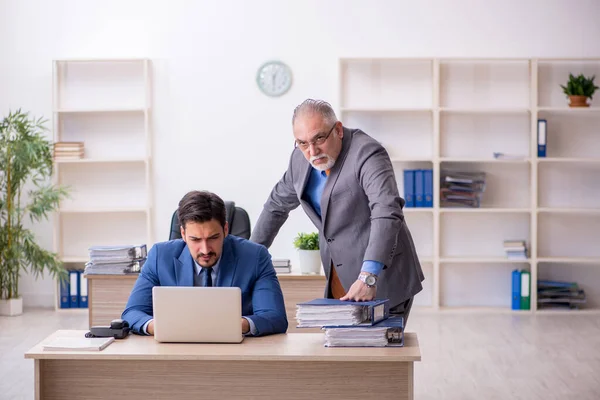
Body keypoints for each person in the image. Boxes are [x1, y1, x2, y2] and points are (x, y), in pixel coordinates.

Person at [251, 99, 424, 324]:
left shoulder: (367, 153)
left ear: (338, 130)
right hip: (338, 276)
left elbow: (386, 210)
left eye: (319, 139)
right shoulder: (299, 160)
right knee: (341, 356)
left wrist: (369, 276)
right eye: (302, 143)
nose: (312, 151)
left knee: (378, 356)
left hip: (381, 277)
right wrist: (249, 259)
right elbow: (276, 206)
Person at [122, 190, 288, 336]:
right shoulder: (160, 256)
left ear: (225, 229)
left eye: (213, 238)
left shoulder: (255, 256)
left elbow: (275, 317)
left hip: (236, 356)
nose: (205, 249)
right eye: (195, 239)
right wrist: (158, 327)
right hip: (175, 355)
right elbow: (132, 313)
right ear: (183, 233)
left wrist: (237, 325)